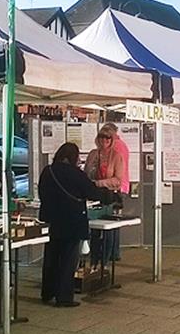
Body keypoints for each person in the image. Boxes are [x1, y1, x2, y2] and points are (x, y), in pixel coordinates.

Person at [38, 142, 104, 307]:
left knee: (51, 258)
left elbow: (42, 192)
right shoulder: (76, 174)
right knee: (68, 260)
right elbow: (91, 192)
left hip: (54, 220)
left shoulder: (48, 171)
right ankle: (64, 297)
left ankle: (47, 292)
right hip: (73, 221)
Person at [85, 126, 128, 264]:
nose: (104, 140)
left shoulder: (116, 156)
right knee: (94, 229)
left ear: (111, 140)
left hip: (108, 196)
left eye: (107, 138)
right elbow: (86, 172)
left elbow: (118, 180)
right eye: (102, 137)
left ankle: (105, 261)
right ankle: (94, 259)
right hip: (93, 195)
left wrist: (100, 183)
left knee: (108, 229)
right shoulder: (93, 154)